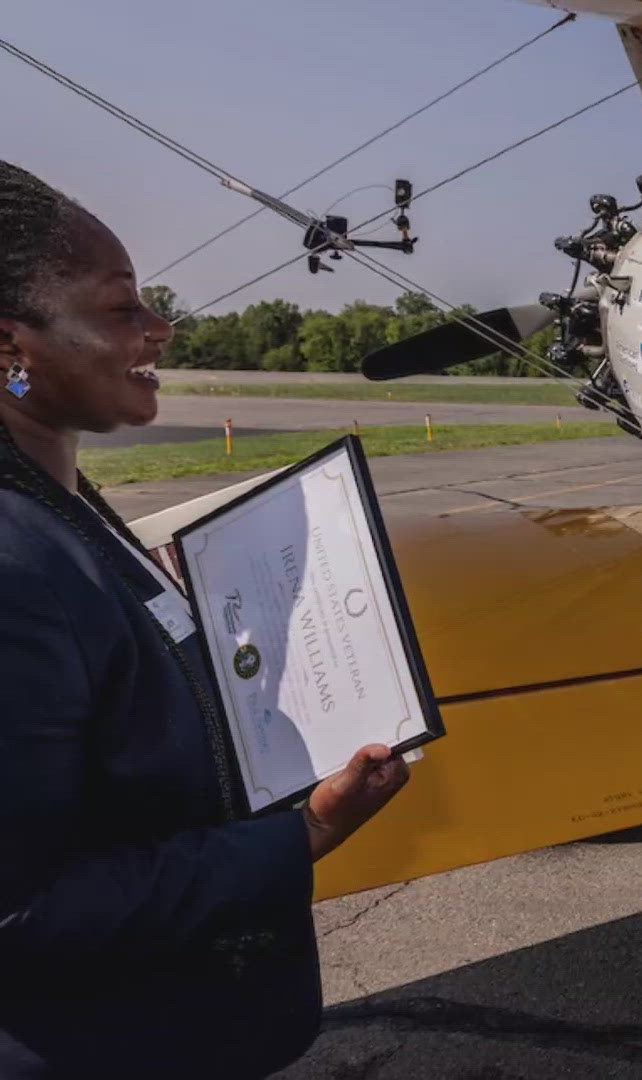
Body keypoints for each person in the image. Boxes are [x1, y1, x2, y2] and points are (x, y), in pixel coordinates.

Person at [0, 160, 411, 1078]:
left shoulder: (60, 499)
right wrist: (300, 834)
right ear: (9, 348)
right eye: (120, 311)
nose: (160, 329)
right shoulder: (11, 564)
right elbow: (17, 910)